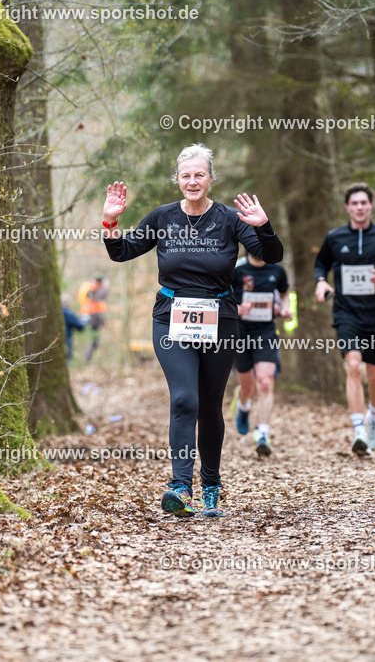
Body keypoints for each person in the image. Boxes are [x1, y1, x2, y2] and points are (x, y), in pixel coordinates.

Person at [103, 144, 283, 518]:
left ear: (210, 179)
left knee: (210, 407)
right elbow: (121, 253)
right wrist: (109, 223)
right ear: (178, 180)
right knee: (185, 399)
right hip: (172, 316)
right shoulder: (162, 217)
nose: (192, 181)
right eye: (185, 175)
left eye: (199, 174)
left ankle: (211, 484)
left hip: (221, 318)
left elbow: (272, 255)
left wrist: (263, 226)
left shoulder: (231, 219)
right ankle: (180, 485)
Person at [314, 183, 375, 455]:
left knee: (374, 376)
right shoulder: (335, 238)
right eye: (353, 203)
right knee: (353, 366)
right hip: (346, 312)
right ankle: (358, 431)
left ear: (371, 206)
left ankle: (374, 417)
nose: (358, 207)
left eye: (363, 203)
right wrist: (321, 282)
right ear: (347, 207)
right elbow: (320, 264)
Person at [232, 253, 291, 457]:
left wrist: (284, 309)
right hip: (240, 332)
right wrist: (238, 309)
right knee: (247, 386)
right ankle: (244, 406)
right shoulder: (236, 269)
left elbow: (284, 295)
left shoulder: (277, 270)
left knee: (265, 382)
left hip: (265, 332)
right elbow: (223, 297)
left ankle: (262, 433)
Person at [77, 277, 110, 361]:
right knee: (92, 341)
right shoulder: (91, 289)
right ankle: (87, 360)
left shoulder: (87, 287)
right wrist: (106, 287)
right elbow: (101, 295)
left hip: (90, 316)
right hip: (92, 317)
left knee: (93, 340)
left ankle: (88, 359)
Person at [62, 297, 86, 366]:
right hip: (66, 339)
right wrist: (84, 321)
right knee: (67, 357)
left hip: (56, 339)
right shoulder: (67, 312)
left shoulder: (54, 312)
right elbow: (79, 325)